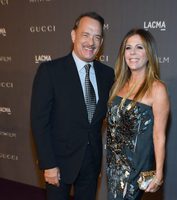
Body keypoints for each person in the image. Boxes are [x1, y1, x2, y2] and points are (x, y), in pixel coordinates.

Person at [31, 12, 114, 200]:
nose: (91, 42)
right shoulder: (50, 71)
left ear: (101, 43)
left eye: (97, 37)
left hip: (91, 164)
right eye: (86, 34)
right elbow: (39, 122)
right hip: (58, 164)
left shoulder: (107, 75)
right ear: (73, 35)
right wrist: (48, 164)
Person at [106, 28, 170, 200]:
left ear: (149, 53)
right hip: (114, 166)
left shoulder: (157, 89)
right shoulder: (118, 85)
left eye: (139, 47)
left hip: (137, 168)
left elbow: (159, 135)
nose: (132, 53)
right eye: (128, 47)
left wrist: (158, 173)